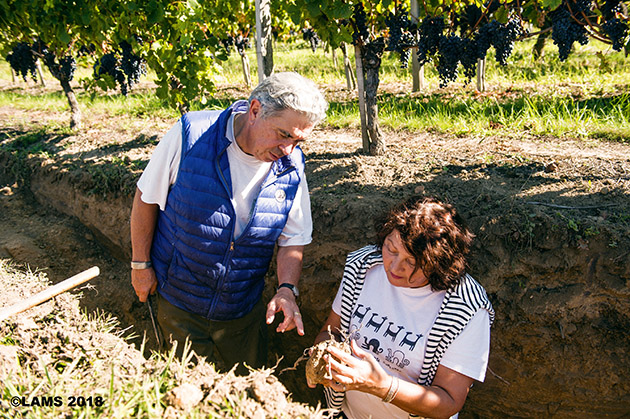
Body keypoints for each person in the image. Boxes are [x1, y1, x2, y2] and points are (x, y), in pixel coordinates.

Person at [130, 72, 328, 373]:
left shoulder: (292, 165)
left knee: (250, 389)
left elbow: (293, 238)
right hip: (180, 299)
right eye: (283, 134)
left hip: (242, 308)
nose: (288, 149)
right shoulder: (191, 135)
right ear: (255, 110)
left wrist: (287, 288)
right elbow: (146, 199)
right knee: (187, 389)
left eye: (299, 140)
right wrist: (140, 266)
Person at [308, 196, 494, 419]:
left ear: (439, 263)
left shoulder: (466, 307)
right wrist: (324, 359)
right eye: (391, 249)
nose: (395, 267)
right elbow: (331, 332)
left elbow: (449, 402)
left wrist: (381, 385)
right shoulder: (363, 268)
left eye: (412, 262)